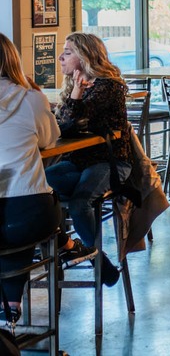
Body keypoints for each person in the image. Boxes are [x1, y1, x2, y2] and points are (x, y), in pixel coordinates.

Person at [47, 32, 136, 286]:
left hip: (111, 162)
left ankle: (97, 260)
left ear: (85, 56)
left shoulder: (108, 87)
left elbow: (69, 122)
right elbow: (62, 127)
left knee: (80, 203)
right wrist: (73, 91)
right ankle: (68, 246)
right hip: (79, 162)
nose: (60, 57)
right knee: (40, 189)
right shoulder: (73, 86)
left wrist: (75, 93)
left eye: (68, 52)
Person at [0, 33, 60, 322]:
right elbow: (49, 140)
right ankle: (11, 302)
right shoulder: (31, 98)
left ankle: (9, 303)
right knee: (28, 214)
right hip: (30, 213)